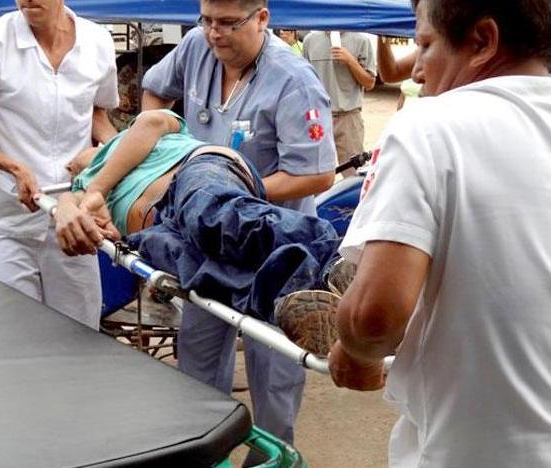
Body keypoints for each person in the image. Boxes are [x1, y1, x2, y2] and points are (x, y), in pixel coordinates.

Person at [285, 0, 551, 466]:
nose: (419, 72)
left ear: (483, 41)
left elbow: (374, 316)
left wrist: (355, 351)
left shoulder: (430, 126)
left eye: (425, 45)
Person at [140, 0, 337, 450]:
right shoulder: (195, 47)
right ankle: (202, 453)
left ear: (262, 18)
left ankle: (272, 457)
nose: (215, 33)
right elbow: (154, 93)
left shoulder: (294, 81)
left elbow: (317, 174)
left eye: (229, 23)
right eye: (207, 20)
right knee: (198, 363)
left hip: (273, 252)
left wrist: (232, 200)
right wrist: (165, 151)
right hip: (207, 249)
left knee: (275, 376)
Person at [55, 109, 340, 326]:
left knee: (212, 217)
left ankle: (332, 260)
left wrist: (98, 188)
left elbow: (153, 121)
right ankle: (300, 305)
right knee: (207, 275)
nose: (73, 161)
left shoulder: (123, 141)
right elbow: (72, 212)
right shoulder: (82, 187)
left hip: (193, 173)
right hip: (157, 231)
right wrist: (80, 205)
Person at [0, 0, 120, 329]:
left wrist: (117, 154)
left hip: (72, 218)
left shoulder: (97, 42)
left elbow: (97, 113)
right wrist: (13, 166)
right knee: (16, 339)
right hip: (5, 224)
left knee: (79, 338)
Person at [303, 31, 376, 175]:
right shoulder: (310, 40)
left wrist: (351, 61)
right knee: (315, 174)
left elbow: (369, 83)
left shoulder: (361, 40)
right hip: (318, 118)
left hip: (348, 118)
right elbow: (304, 78)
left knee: (353, 174)